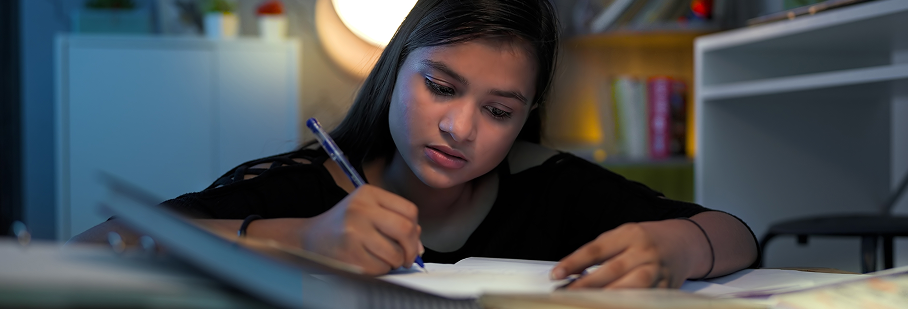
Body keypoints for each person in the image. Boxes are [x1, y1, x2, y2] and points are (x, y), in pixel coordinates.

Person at [71, 0, 759, 289]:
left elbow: (735, 234)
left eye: (497, 109)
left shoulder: (551, 185)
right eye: (439, 85)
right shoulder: (309, 185)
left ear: (524, 118)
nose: (460, 127)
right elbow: (100, 241)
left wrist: (676, 248)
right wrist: (302, 240)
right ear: (394, 69)